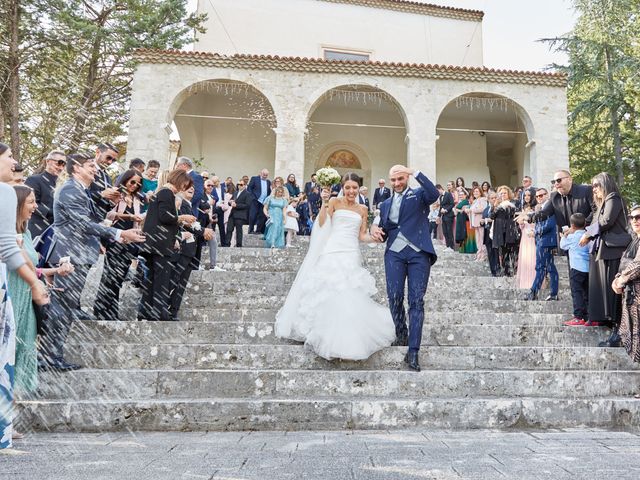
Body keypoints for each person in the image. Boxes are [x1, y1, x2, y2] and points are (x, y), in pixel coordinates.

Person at [275, 173, 395, 360]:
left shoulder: (363, 209)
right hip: (332, 250)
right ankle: (322, 334)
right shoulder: (334, 203)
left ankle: (347, 338)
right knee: (329, 290)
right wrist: (324, 203)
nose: (351, 191)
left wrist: (375, 238)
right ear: (342, 188)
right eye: (347, 187)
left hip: (351, 252)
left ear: (358, 188)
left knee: (348, 293)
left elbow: (361, 235)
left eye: (354, 187)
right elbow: (322, 223)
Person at [42, 153, 145, 370]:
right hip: (68, 255)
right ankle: (50, 357)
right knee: (61, 308)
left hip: (78, 255)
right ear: (76, 168)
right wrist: (120, 234)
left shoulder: (81, 190)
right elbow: (82, 224)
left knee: (67, 308)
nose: (95, 169)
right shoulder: (71, 189)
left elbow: (90, 220)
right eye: (90, 166)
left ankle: (54, 356)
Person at [0, 143, 50, 450]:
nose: (14, 162)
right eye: (7, 157)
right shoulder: (4, 193)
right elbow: (7, 248)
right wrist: (35, 283)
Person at [9, 185, 74, 394]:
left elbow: (31, 266)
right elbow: (18, 261)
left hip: (27, 295)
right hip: (12, 295)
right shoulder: (7, 232)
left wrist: (54, 270)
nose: (35, 206)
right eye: (30, 202)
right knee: (10, 347)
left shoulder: (26, 232)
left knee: (25, 345)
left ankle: (14, 400)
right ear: (17, 204)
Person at [373, 165, 439, 372]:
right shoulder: (384, 204)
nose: (397, 183)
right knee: (394, 296)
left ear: (406, 178)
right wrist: (374, 228)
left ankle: (413, 350)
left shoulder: (419, 195)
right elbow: (383, 227)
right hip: (394, 253)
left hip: (419, 253)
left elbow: (434, 193)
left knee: (416, 300)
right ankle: (401, 333)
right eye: (393, 180)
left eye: (400, 179)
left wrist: (414, 172)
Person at [580, 172, 630, 347]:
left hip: (613, 251)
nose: (594, 189)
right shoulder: (603, 203)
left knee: (614, 292)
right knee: (606, 292)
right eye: (592, 186)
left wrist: (587, 234)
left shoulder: (613, 198)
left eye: (596, 185)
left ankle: (618, 333)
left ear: (606, 184)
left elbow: (607, 221)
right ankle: (612, 326)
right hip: (604, 251)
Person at [139, 169, 195, 322]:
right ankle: (158, 313)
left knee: (153, 279)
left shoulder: (163, 193)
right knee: (161, 280)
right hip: (160, 244)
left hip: (156, 243)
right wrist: (181, 217)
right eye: (184, 184)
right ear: (178, 180)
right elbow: (165, 216)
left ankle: (146, 312)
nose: (183, 188)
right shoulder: (166, 193)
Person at [93, 169, 145, 321]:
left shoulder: (136, 198)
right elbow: (107, 215)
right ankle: (102, 310)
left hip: (129, 243)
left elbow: (136, 221)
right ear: (125, 180)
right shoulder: (116, 193)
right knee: (110, 277)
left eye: (138, 183)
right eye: (132, 182)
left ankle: (111, 310)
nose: (135, 185)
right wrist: (128, 215)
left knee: (120, 278)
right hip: (114, 239)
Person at [616, 205, 640, 362]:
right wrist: (617, 278)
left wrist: (621, 279)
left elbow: (638, 264)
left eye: (639, 217)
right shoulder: (634, 241)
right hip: (632, 298)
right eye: (632, 217)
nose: (635, 220)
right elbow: (625, 264)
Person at [25, 149, 66, 239]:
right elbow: (29, 204)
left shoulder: (64, 184)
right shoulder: (34, 180)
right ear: (48, 161)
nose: (61, 167)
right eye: (59, 163)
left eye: (64, 164)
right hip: (38, 230)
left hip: (58, 231)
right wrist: (55, 212)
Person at [560, 213, 591, 326]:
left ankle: (578, 316)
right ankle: (589, 316)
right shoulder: (588, 236)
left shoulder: (572, 237)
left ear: (572, 225)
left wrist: (564, 235)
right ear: (585, 224)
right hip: (588, 269)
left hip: (576, 268)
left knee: (576, 292)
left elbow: (563, 246)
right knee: (587, 293)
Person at [491, 186, 519, 277]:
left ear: (508, 194)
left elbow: (513, 216)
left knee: (513, 253)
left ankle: (516, 273)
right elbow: (491, 216)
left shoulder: (513, 203)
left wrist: (508, 206)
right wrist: (496, 206)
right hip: (500, 233)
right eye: (501, 193)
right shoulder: (497, 205)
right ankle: (506, 273)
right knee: (503, 254)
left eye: (505, 193)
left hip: (510, 232)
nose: (503, 195)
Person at [88, 142, 121, 219]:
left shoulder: (107, 177)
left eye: (113, 160)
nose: (110, 162)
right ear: (98, 152)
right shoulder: (85, 169)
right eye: (108, 158)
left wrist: (112, 202)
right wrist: (101, 194)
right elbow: (77, 194)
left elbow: (104, 207)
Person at [515, 189, 537, 289]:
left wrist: (527, 221)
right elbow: (522, 226)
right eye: (525, 196)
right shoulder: (524, 208)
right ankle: (524, 283)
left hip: (532, 235)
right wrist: (521, 222)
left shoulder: (536, 208)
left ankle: (533, 283)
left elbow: (537, 223)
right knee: (525, 258)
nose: (527, 197)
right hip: (524, 236)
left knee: (533, 259)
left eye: (529, 195)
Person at [225, 179, 251, 248]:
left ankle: (239, 245)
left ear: (245, 185)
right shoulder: (235, 193)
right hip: (232, 214)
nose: (239, 186)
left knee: (239, 230)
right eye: (238, 184)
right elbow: (230, 202)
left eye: (241, 185)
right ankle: (227, 244)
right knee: (229, 229)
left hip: (240, 215)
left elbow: (247, 205)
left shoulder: (247, 194)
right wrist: (230, 202)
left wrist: (237, 205)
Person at [481, 191, 500, 276]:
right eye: (492, 198)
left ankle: (498, 271)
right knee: (490, 254)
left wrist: (488, 220)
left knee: (496, 253)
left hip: (496, 233)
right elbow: (483, 220)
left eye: (495, 198)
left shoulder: (498, 208)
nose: (494, 199)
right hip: (487, 233)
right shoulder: (485, 209)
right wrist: (482, 222)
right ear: (488, 199)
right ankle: (493, 272)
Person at [248, 169, 271, 234]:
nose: (265, 176)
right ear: (261, 173)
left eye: (266, 175)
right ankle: (251, 230)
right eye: (264, 175)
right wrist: (252, 197)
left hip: (264, 202)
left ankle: (258, 230)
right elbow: (249, 188)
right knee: (253, 215)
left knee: (262, 216)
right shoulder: (254, 178)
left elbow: (269, 191)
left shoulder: (268, 182)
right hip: (255, 200)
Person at [469, 186, 488, 261]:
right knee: (478, 239)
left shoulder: (483, 199)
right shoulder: (475, 201)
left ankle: (483, 255)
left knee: (482, 238)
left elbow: (484, 209)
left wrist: (473, 210)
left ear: (480, 192)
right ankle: (479, 254)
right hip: (475, 222)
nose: (475, 193)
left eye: (477, 191)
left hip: (480, 221)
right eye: (474, 192)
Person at [210, 175, 227, 246]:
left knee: (222, 227)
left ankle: (224, 243)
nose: (213, 184)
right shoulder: (211, 189)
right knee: (212, 227)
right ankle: (211, 243)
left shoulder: (224, 189)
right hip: (214, 210)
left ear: (218, 181)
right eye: (212, 182)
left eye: (215, 182)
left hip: (221, 210)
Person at [437, 182, 455, 252]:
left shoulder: (448, 194)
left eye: (437, 191)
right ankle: (448, 246)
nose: (437, 193)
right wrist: (438, 216)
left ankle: (451, 247)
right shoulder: (440, 196)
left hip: (449, 215)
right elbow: (441, 207)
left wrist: (446, 210)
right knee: (445, 231)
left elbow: (452, 204)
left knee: (449, 231)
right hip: (443, 216)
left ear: (440, 189)